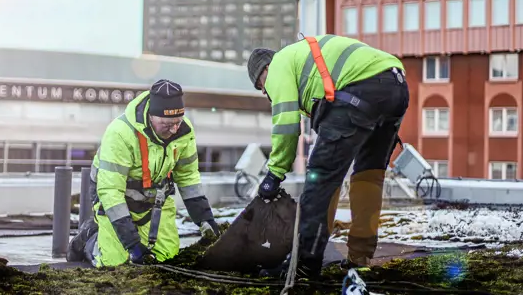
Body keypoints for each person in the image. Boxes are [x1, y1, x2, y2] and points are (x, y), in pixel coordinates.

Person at [247, 34, 409, 279]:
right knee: (368, 177)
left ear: (265, 70)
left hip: (358, 88)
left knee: (320, 179)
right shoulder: (301, 60)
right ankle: (359, 259)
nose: (265, 92)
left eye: (262, 86)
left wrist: (275, 173)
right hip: (395, 84)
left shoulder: (279, 64)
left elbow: (286, 126)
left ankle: (304, 265)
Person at [67, 79, 222, 267]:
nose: (174, 129)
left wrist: (205, 219)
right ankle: (90, 237)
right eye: (167, 124)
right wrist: (132, 244)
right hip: (115, 196)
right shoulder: (121, 134)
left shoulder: (184, 131)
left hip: (154, 198)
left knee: (167, 258)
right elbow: (110, 192)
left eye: (177, 122)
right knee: (114, 263)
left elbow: (187, 177)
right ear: (151, 116)